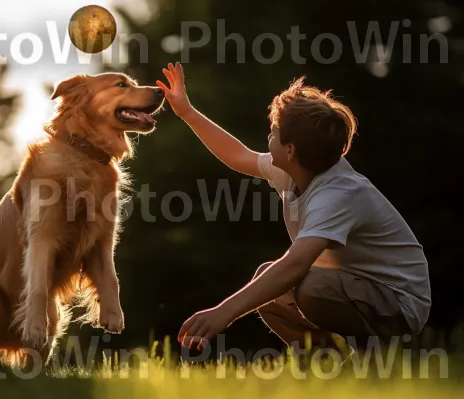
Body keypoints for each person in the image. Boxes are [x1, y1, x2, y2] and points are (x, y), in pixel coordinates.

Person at [156, 62, 431, 355]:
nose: (268, 137)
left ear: (290, 150)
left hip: (399, 303)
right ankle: (331, 365)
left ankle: (377, 359)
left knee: (307, 286)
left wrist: (223, 312)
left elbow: (296, 264)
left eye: (273, 132)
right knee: (269, 284)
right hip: (358, 286)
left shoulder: (338, 193)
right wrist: (187, 112)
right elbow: (238, 155)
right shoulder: (297, 167)